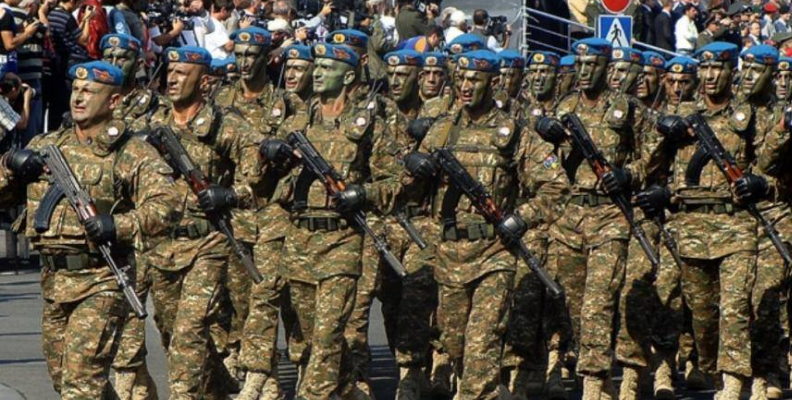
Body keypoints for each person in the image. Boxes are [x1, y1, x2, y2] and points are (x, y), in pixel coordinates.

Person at [0, 60, 178, 399]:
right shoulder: (47, 144)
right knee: (66, 379)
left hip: (101, 279)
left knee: (81, 385)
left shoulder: (131, 151)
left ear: (113, 101)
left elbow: (166, 207)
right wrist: (10, 166)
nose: (79, 98)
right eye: (77, 90)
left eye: (90, 92)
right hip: (54, 282)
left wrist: (117, 224)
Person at [263, 42, 387, 400]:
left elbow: (395, 182)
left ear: (347, 77)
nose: (316, 73)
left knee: (329, 333)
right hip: (300, 241)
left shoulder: (367, 124)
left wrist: (362, 193)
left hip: (342, 241)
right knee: (311, 336)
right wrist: (269, 154)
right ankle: (348, 390)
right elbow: (261, 184)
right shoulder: (295, 123)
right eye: (316, 66)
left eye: (326, 68)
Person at [145, 45, 262, 400]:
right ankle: (218, 386)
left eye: (182, 73)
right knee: (171, 332)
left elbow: (260, 181)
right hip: (163, 247)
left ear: (205, 82)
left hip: (208, 244)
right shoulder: (151, 125)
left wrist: (229, 194)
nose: (172, 78)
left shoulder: (226, 125)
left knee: (190, 331)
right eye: (170, 71)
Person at [652, 41, 765, 400]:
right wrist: (662, 134)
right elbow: (650, 166)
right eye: (705, 68)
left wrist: (759, 183)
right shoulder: (683, 114)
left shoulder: (748, 114)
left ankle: (732, 383)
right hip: (691, 226)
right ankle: (711, 368)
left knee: (734, 308)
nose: (711, 75)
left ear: (732, 72)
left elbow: (770, 166)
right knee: (702, 314)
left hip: (736, 224)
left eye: (718, 68)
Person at [410, 49, 521, 400]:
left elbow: (553, 187)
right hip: (450, 252)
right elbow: (407, 189)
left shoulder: (511, 131)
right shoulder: (442, 130)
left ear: (493, 83)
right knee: (454, 341)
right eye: (462, 78)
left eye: (476, 79)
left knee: (481, 343)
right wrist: (413, 167)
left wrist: (521, 219)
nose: (467, 86)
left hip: (493, 251)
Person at [550, 37, 647, 399]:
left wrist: (628, 174)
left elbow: (651, 158)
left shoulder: (628, 108)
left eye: (593, 65)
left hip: (610, 214)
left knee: (598, 301)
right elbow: (541, 162)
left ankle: (592, 381)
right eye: (581, 64)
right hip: (569, 216)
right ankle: (600, 378)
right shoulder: (563, 108)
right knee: (574, 305)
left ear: (607, 68)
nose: (585, 71)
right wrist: (548, 142)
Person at [45, 0, 92, 129]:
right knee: (68, 99)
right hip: (72, 61)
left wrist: (83, 20)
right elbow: (83, 40)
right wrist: (88, 20)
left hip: (57, 62)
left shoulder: (51, 14)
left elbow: (72, 34)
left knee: (56, 102)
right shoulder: (66, 17)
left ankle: (53, 129)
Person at [8, 0, 45, 147]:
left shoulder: (9, 15)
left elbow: (43, 33)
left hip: (15, 76)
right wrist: (39, 14)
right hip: (28, 77)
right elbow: (46, 32)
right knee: (30, 125)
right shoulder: (16, 16)